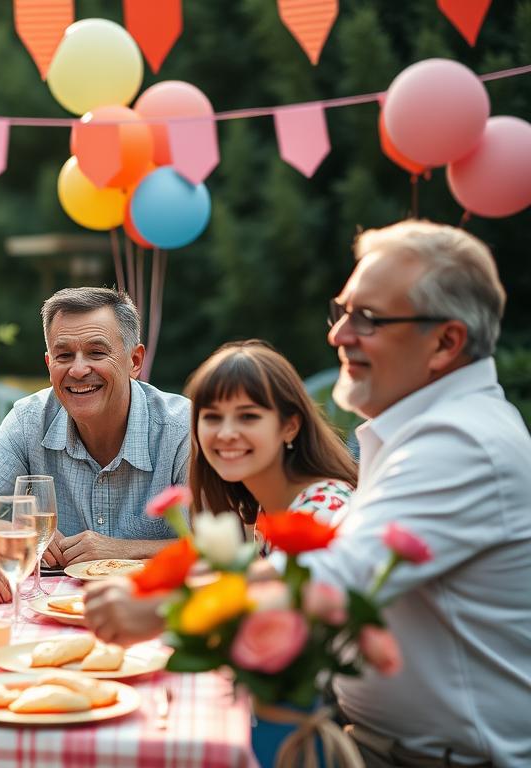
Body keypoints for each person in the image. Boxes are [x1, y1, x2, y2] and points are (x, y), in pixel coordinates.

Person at [86, 221, 531, 767]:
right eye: (341, 312)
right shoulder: (433, 429)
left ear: (445, 342)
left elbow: (333, 578)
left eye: (367, 318)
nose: (338, 334)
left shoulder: (460, 441)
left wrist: (164, 607)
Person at [0, 287, 190, 568]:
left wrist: (122, 550)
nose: (78, 370)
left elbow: (223, 547)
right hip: (51, 606)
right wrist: (13, 530)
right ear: (49, 365)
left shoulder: (182, 429)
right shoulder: (29, 420)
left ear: (134, 361)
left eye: (96, 352)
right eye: (64, 356)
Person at [187, 340, 356, 535]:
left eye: (248, 416)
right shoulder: (269, 508)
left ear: (290, 427)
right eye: (212, 417)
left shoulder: (322, 513)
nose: (226, 434)